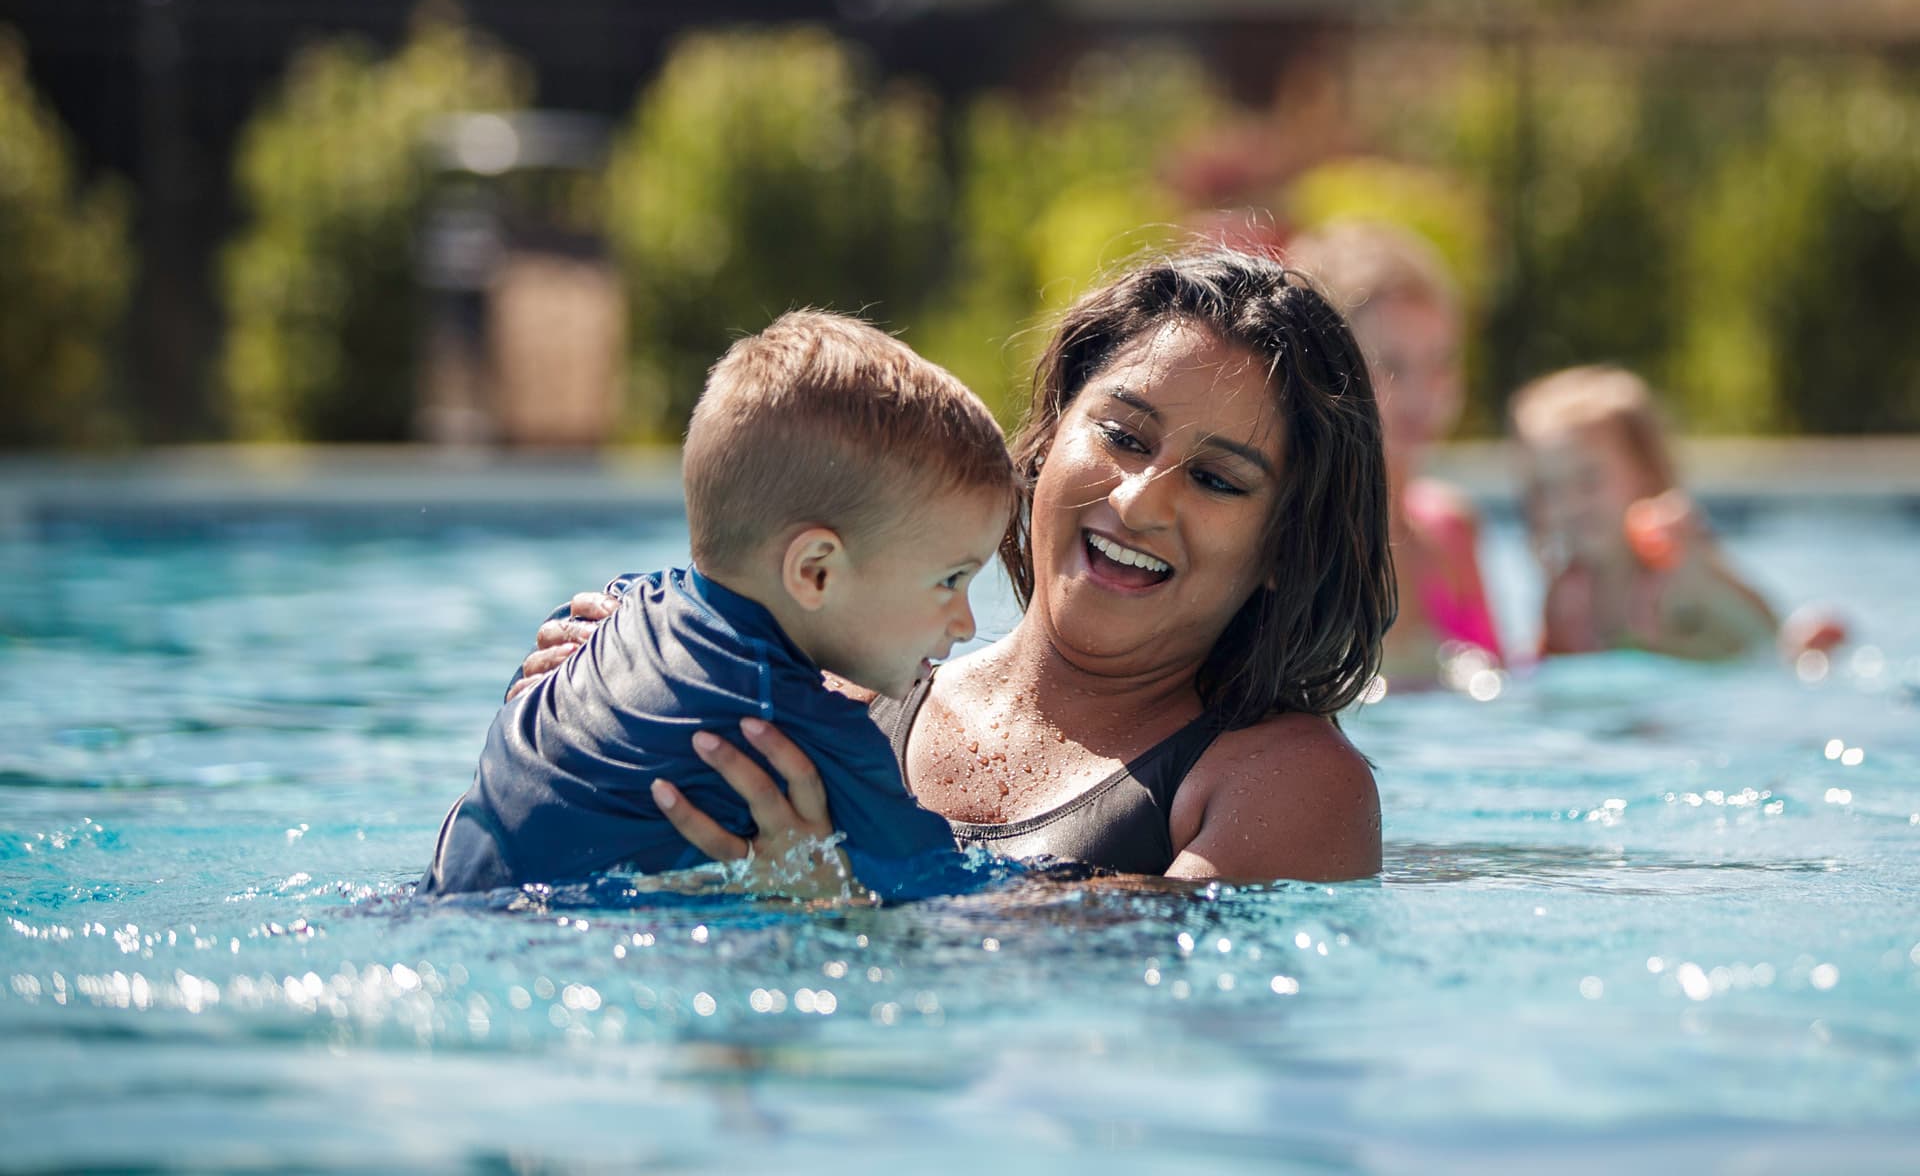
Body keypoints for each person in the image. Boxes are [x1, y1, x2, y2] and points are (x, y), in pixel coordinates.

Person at [513, 250, 1396, 885]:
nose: (1137, 503)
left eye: (1215, 480)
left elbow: (1118, 1005)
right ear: (1048, 443)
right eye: (1122, 436)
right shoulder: (840, 693)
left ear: (1287, 545)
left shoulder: (1283, 785)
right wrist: (603, 694)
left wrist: (844, 911)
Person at [419, 310, 1015, 896]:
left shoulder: (622, 608)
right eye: (950, 581)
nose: (965, 623)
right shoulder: (796, 728)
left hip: (436, 901)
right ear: (815, 571)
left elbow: (560, 633)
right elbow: (941, 888)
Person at [1287, 221, 1501, 686]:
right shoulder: (1298, 543)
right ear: (1325, 369)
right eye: (1392, 365)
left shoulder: (1453, 531)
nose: (1424, 394)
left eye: (1441, 362)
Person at [1509, 364, 1782, 660]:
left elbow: (1768, 641)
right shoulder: (1568, 596)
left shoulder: (1674, 567)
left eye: (1589, 480)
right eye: (1550, 489)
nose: (1570, 504)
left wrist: (1696, 563)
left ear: (1646, 473)